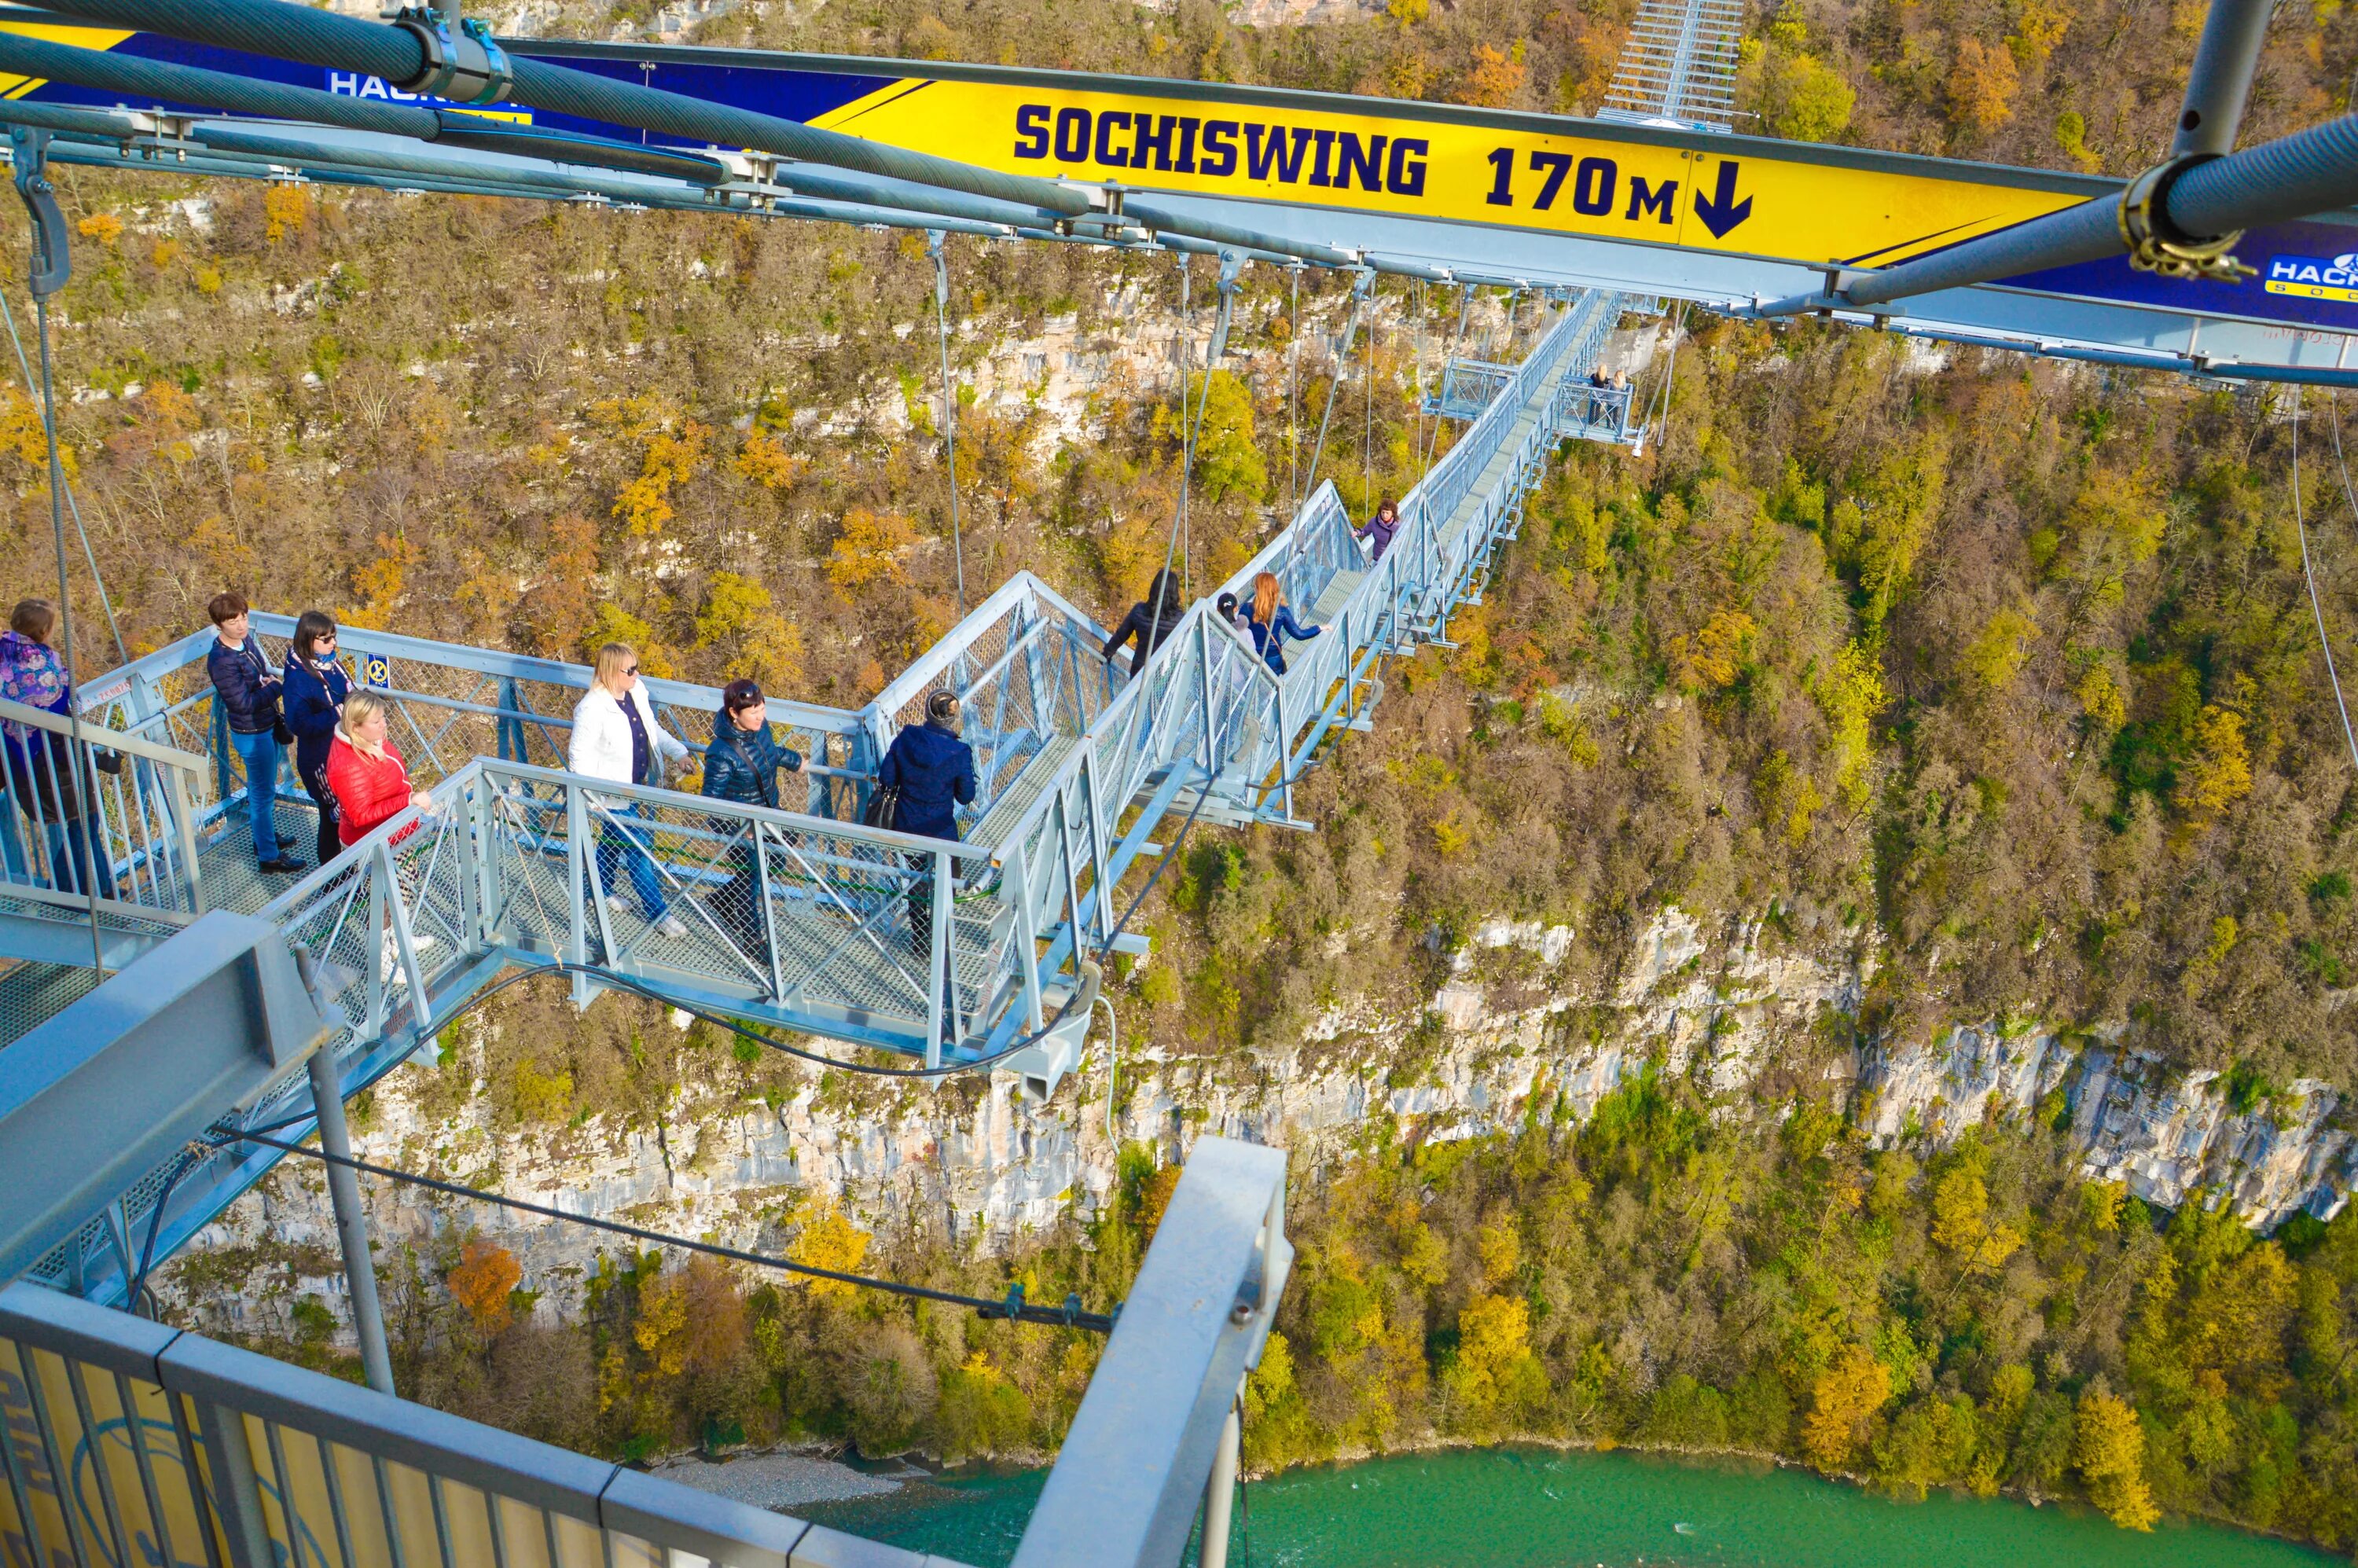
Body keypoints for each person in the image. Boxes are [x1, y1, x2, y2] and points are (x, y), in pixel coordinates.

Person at [568, 642, 692, 940]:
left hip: (637, 787)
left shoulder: (636, 691)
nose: (637, 674)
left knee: (611, 844)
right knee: (639, 851)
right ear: (613, 672)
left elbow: (651, 729)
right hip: (610, 795)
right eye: (631, 670)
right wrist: (594, 800)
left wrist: (679, 753)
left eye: (637, 667)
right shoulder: (591, 708)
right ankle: (659, 913)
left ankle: (599, 891)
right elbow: (578, 757)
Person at [0, 598, 116, 898]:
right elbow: (62, 703)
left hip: (20, 758)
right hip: (56, 756)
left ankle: (90, 890)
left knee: (81, 827)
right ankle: (85, 894)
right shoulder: (42, 662)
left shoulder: (3, 650)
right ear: (44, 631)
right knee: (85, 823)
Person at [699, 678, 807, 964]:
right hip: (743, 828)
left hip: (770, 811)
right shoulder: (721, 753)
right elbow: (710, 801)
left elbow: (770, 754)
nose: (761, 715)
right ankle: (753, 940)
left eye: (762, 708)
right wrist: (738, 828)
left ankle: (721, 899)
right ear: (735, 714)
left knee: (775, 863)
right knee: (753, 879)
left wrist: (795, 761)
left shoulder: (761, 728)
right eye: (753, 711)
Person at [207, 591, 302, 873]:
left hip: (265, 723)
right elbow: (243, 703)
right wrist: (274, 687)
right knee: (261, 794)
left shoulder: (244, 642)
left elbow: (258, 678)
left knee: (266, 789)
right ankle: (269, 857)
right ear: (220, 624)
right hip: (252, 731)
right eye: (233, 621)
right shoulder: (221, 661)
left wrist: (265, 685)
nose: (241, 625)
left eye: (244, 618)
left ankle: (266, 839)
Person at [878, 689, 976, 956]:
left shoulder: (906, 737)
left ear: (927, 713)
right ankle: (941, 938)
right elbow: (966, 796)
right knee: (949, 882)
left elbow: (887, 779)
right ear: (952, 720)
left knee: (916, 883)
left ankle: (920, 942)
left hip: (907, 824)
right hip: (940, 830)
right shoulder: (959, 752)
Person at [281, 610, 352, 869]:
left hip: (343, 752)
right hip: (320, 761)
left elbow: (347, 692)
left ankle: (347, 871)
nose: (333, 643)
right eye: (326, 639)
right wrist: (339, 713)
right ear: (309, 640)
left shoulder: (332, 664)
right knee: (331, 818)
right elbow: (299, 724)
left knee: (345, 815)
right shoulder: (298, 679)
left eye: (333, 637)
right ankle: (333, 878)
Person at [325, 692, 432, 849]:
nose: (384, 724)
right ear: (356, 727)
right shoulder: (349, 766)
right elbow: (361, 815)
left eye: (383, 717)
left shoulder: (371, 741)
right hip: (376, 845)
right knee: (404, 875)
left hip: (392, 832)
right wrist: (408, 800)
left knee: (411, 873)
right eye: (376, 721)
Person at [1101, 568, 1184, 678]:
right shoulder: (1181, 620)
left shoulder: (1139, 611)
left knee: (1137, 695)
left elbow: (1121, 635)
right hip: (1165, 677)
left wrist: (1107, 653)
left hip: (1139, 672)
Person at [1247, 571, 1321, 677]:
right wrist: (1319, 628)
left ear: (1258, 589)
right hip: (1273, 659)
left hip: (1250, 657)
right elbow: (1299, 634)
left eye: (1254, 586)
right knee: (1272, 688)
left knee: (1252, 688)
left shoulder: (1247, 609)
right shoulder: (1282, 611)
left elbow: (1236, 629)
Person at [1356, 498, 1401, 564]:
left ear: (1392, 513)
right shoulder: (1374, 521)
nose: (1384, 515)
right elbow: (1365, 531)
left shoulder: (1397, 525)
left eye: (1387, 513)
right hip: (1377, 558)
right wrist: (1357, 532)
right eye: (1383, 512)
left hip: (1392, 560)